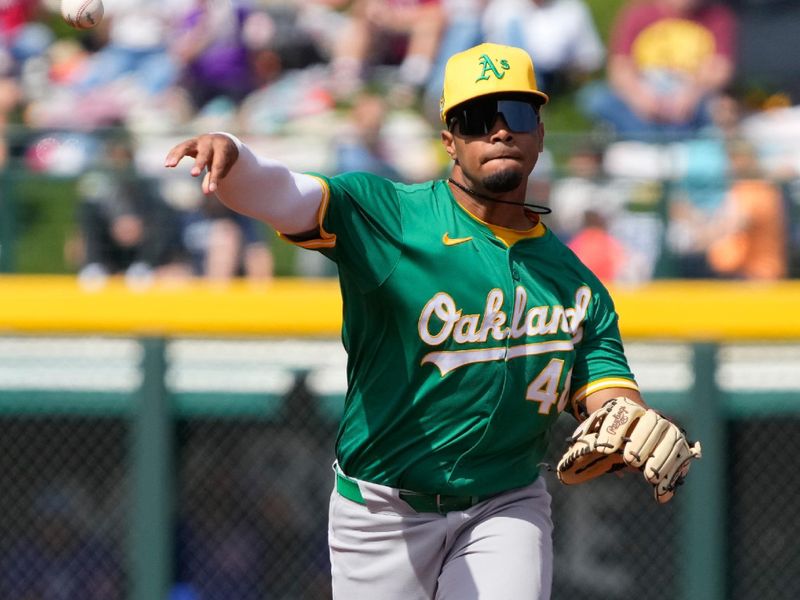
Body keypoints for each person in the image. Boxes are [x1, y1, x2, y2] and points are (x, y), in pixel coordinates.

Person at [165, 42, 700, 599]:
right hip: (381, 510)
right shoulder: (391, 217)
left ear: (539, 131)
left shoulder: (577, 284)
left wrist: (631, 422)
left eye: (514, 113)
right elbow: (287, 194)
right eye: (475, 118)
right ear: (450, 140)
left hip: (505, 501)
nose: (498, 131)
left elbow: (609, 393)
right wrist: (234, 156)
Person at [579, 0, 738, 138]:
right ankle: (663, 140)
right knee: (594, 97)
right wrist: (640, 97)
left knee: (721, 108)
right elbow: (620, 67)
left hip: (692, 97)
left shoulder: (718, 17)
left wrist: (691, 94)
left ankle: (647, 140)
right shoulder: (639, 13)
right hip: (645, 91)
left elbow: (720, 70)